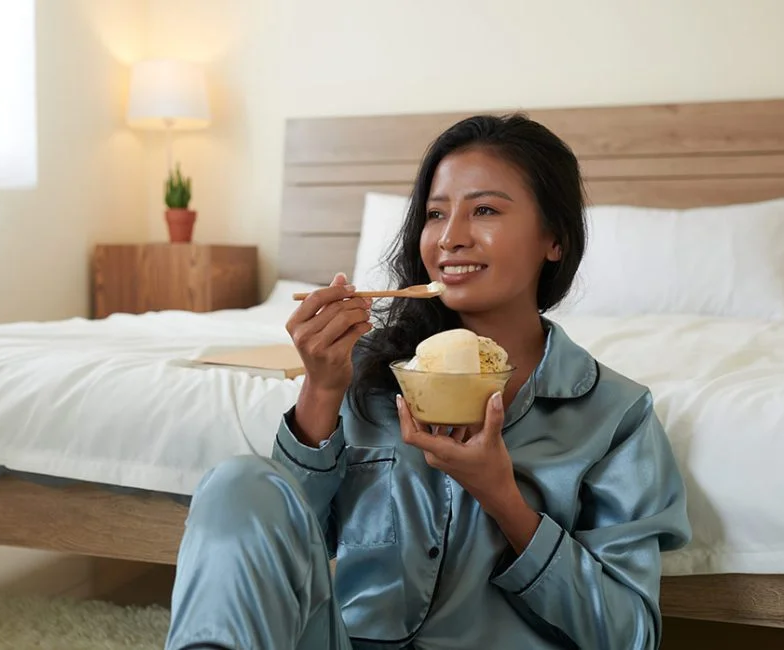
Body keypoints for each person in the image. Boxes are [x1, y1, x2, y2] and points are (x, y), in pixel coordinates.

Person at [163, 114, 692, 650]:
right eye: (436, 214)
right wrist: (321, 391)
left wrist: (505, 501)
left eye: (484, 210)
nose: (450, 238)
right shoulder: (369, 374)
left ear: (553, 239)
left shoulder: (615, 413)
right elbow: (279, 551)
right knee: (238, 483)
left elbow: (631, 637)